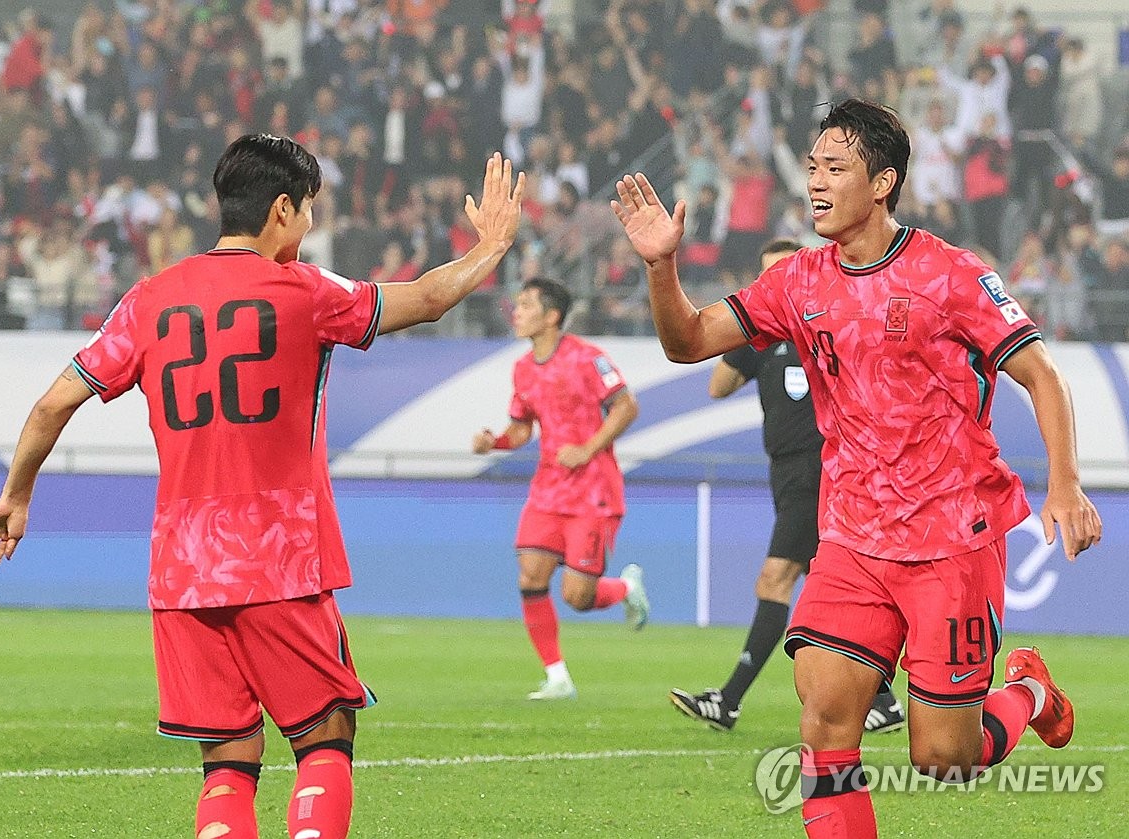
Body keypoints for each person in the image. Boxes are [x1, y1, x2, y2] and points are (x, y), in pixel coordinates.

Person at [0, 136, 525, 839]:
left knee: (228, 761)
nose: (310, 227)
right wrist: (493, 246)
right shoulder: (306, 292)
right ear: (282, 208)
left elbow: (54, 403)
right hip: (279, 557)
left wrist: (17, 494)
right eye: (309, 212)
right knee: (326, 734)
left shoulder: (148, 299)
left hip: (182, 570)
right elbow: (427, 298)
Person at [613, 99, 1102, 838]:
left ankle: (1028, 691)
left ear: (882, 182)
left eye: (834, 168)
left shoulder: (951, 274)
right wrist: (661, 265)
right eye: (812, 167)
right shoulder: (798, 281)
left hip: (951, 535)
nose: (815, 181)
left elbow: (1041, 374)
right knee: (824, 720)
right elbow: (688, 341)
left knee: (945, 757)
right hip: (850, 537)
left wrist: (1064, 482)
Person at [669, 239, 906, 735]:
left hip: (821, 471)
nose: (770, 284)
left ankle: (729, 701)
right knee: (840, 583)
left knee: (775, 579)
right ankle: (882, 701)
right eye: (763, 277)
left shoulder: (828, 328)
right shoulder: (762, 340)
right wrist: (747, 329)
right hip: (788, 475)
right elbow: (717, 385)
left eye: (779, 273)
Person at [472, 277, 648, 701]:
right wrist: (493, 442)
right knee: (531, 574)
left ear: (551, 316)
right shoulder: (522, 368)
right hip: (548, 490)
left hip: (593, 491)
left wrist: (588, 449)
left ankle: (625, 589)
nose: (517, 311)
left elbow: (627, 406)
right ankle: (557, 677)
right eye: (517, 303)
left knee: (577, 596)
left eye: (526, 304)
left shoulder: (587, 359)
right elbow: (521, 429)